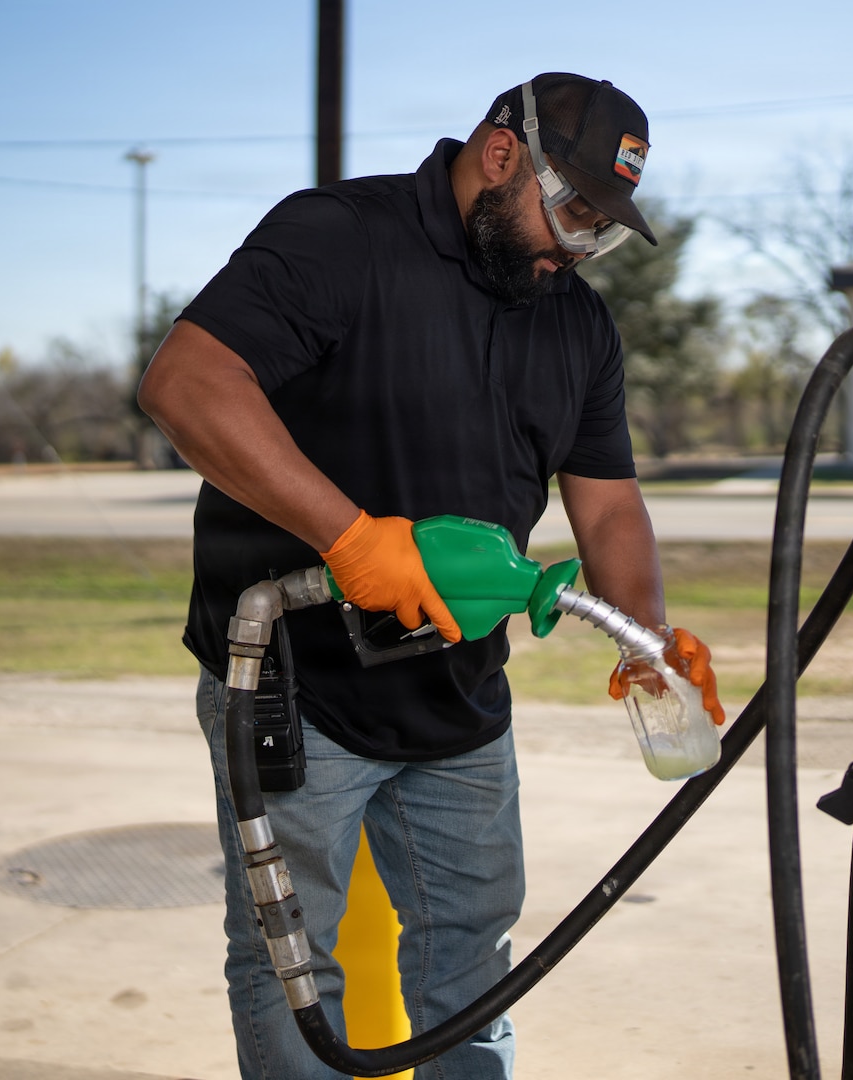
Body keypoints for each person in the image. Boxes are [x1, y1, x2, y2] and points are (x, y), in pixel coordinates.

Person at [137, 72, 726, 1080]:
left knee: (472, 957)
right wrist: (353, 539)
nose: (579, 246)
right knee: (294, 968)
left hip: (459, 694)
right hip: (295, 689)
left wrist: (648, 640)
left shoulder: (574, 321)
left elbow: (610, 500)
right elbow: (187, 383)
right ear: (502, 155)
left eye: (603, 227)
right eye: (574, 211)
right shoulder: (341, 237)